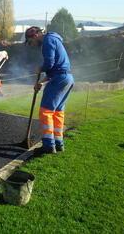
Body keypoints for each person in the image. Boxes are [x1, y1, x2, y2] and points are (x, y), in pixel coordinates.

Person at [25, 26, 74, 154]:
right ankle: (58, 143)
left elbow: (49, 64)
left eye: (30, 42)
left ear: (34, 36)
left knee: (46, 111)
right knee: (57, 112)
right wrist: (41, 82)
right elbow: (54, 70)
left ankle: (48, 145)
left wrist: (40, 69)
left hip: (59, 79)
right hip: (67, 78)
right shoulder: (54, 39)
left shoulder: (48, 41)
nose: (32, 45)